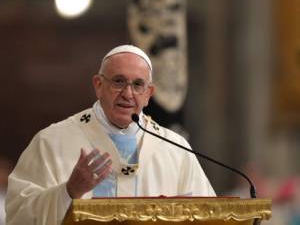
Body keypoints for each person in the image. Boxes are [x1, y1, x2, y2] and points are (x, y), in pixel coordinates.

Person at [5, 45, 215, 225]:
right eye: (118, 81)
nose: (128, 93)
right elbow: (18, 214)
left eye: (138, 84)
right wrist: (67, 192)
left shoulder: (174, 148)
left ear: (148, 94)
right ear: (98, 85)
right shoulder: (52, 142)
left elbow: (208, 216)